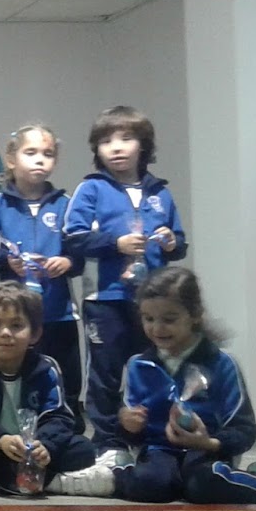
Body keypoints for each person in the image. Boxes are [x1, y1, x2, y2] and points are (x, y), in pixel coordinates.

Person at [110, 267, 256, 503]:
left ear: (195, 315)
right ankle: (115, 471)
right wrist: (129, 426)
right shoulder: (138, 365)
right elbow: (128, 430)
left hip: (209, 451)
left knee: (203, 485)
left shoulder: (222, 364)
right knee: (150, 485)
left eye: (169, 320)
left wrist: (208, 442)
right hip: (159, 450)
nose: (157, 328)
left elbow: (243, 430)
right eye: (148, 319)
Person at [62, 106, 186, 464]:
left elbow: (180, 242)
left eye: (126, 138)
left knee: (154, 367)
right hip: (105, 299)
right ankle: (107, 442)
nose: (116, 147)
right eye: (106, 141)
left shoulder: (160, 192)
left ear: (143, 145)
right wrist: (114, 244)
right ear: (96, 149)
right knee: (105, 372)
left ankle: (155, 438)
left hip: (154, 302)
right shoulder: (91, 188)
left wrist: (171, 242)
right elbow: (73, 238)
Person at [0, 125, 84, 429]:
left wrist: (68, 261)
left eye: (48, 154)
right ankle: (14, 431)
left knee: (66, 378)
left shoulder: (66, 204)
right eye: (30, 152)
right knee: (19, 377)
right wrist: (7, 261)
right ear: (11, 160)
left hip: (58, 313)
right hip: (13, 317)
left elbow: (81, 252)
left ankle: (68, 432)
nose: (39, 160)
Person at [0, 285, 105, 497]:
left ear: (35, 334)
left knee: (83, 448)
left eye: (16, 325)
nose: (5, 333)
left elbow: (58, 417)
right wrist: (1, 439)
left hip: (33, 448)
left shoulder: (46, 367)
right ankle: (47, 481)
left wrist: (45, 446)